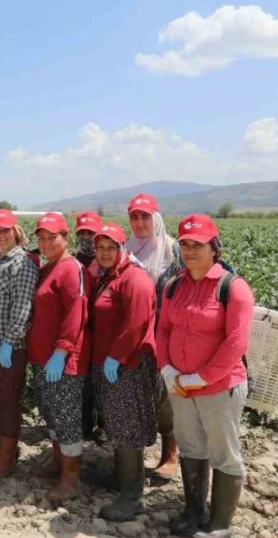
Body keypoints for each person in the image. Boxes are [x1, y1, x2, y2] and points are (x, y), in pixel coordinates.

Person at [156, 214, 253, 538]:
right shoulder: (174, 286)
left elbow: (236, 341)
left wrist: (203, 377)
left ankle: (220, 524)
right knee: (191, 446)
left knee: (224, 453)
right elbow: (164, 330)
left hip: (219, 387)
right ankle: (193, 509)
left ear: (214, 247)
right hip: (181, 386)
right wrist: (167, 369)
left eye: (198, 244)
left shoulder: (232, 288)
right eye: (184, 244)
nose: (190, 250)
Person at [89, 223, 159, 522]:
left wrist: (115, 357)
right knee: (117, 423)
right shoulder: (110, 276)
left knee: (128, 427)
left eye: (111, 248)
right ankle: (121, 477)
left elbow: (137, 325)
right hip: (111, 363)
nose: (105, 253)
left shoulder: (135, 280)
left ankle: (132, 497)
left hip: (128, 366)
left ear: (122, 249)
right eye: (100, 248)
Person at [0, 209, 40, 478]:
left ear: (16, 231)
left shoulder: (22, 263)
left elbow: (23, 308)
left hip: (7, 348)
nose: (0, 235)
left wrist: (10, 342)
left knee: (7, 400)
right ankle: (4, 446)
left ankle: (6, 456)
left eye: (5, 230)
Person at [29, 212, 89, 504]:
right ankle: (57, 462)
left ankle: (71, 478)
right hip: (42, 356)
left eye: (52, 237)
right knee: (51, 413)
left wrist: (62, 350)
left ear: (66, 239)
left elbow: (76, 311)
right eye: (41, 238)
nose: (46, 243)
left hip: (63, 360)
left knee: (66, 418)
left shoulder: (70, 269)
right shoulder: (48, 267)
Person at [128, 192, 181, 482]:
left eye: (144, 216)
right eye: (134, 217)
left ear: (156, 218)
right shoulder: (126, 251)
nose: (139, 223)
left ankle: (170, 454)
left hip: (165, 336)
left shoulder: (174, 252)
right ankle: (133, 456)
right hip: (134, 337)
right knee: (139, 395)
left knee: (166, 397)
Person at [72, 211, 103, 442]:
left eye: (90, 233)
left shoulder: (105, 261)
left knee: (102, 382)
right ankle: (83, 426)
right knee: (83, 384)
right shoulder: (72, 260)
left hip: (101, 329)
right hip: (80, 331)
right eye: (81, 232)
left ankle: (104, 426)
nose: (85, 237)